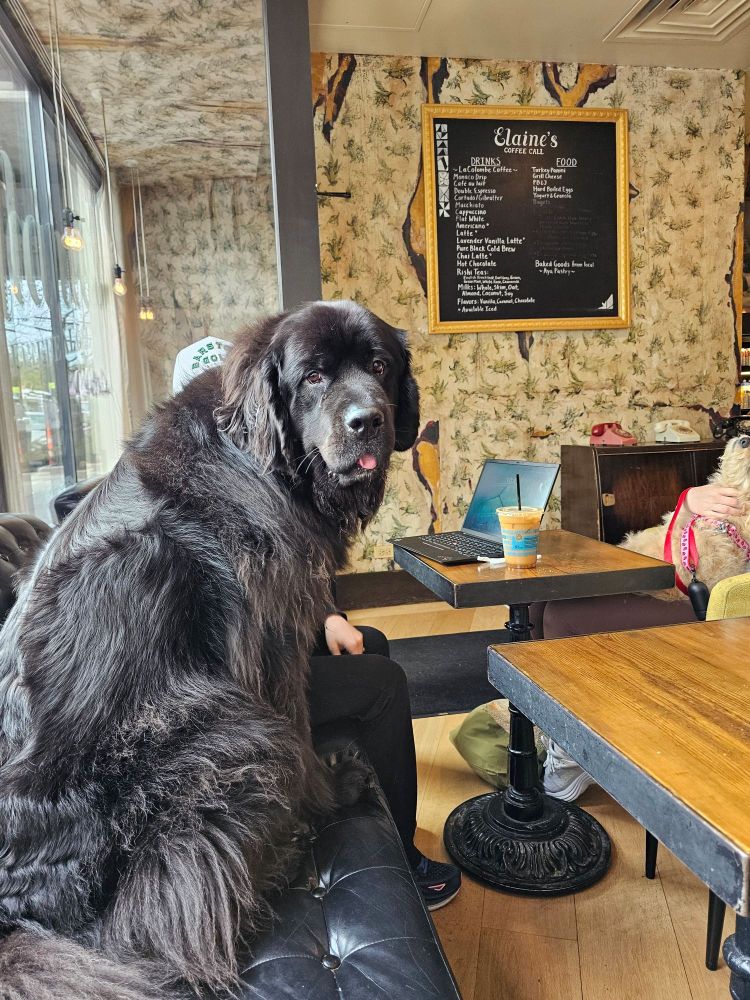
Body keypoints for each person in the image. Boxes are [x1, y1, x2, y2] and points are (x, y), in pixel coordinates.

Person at [537, 482, 743, 802]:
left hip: (724, 603)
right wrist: (688, 503)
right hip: (696, 572)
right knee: (540, 600)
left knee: (560, 617)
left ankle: (573, 750)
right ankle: (553, 723)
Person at [309, 610, 462, 910]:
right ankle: (401, 858)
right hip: (228, 682)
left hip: (261, 646)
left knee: (372, 642)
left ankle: (378, 832)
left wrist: (329, 618)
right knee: (385, 683)